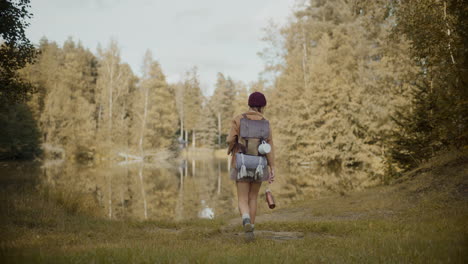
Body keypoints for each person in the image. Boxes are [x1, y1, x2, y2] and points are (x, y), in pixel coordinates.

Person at [226, 91, 275, 240]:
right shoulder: (266, 123)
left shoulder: (239, 119)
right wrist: (272, 167)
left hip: (241, 163)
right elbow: (270, 147)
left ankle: (245, 219)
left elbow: (230, 139)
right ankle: (251, 229)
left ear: (249, 104)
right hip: (260, 164)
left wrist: (231, 149)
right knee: (253, 198)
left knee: (242, 199)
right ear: (263, 107)